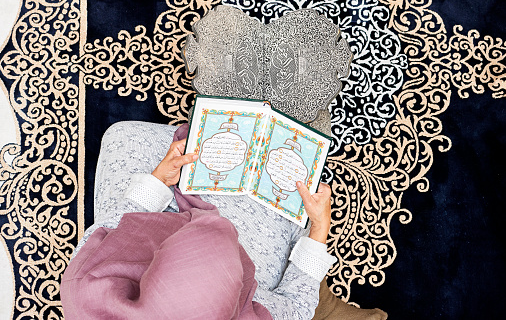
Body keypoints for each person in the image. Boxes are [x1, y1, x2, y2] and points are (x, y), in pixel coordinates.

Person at [60, 121, 388, 319]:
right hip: (243, 265)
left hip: (142, 236)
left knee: (124, 136)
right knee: (282, 181)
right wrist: (319, 226)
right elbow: (298, 306)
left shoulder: (86, 289)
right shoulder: (252, 307)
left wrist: (160, 178)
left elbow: (114, 226)